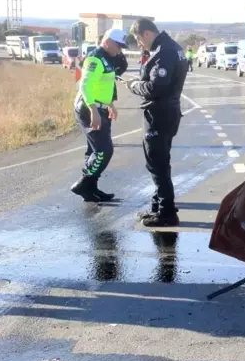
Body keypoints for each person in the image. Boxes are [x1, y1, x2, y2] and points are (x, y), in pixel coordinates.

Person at [124, 18, 188, 227]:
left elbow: (155, 87)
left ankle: (166, 212)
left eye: (138, 39)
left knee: (157, 164)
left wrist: (134, 85)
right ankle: (157, 206)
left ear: (146, 34)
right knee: (159, 162)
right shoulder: (172, 48)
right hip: (168, 112)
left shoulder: (164, 52)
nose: (139, 44)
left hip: (159, 114)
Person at [70, 29, 128, 202]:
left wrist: (110, 105)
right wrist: (94, 111)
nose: (120, 49)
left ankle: (90, 188)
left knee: (95, 151)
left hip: (101, 107)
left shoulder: (108, 58)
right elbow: (86, 86)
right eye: (118, 45)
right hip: (89, 108)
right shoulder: (95, 58)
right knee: (104, 151)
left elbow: (104, 86)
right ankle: (83, 184)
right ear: (108, 41)